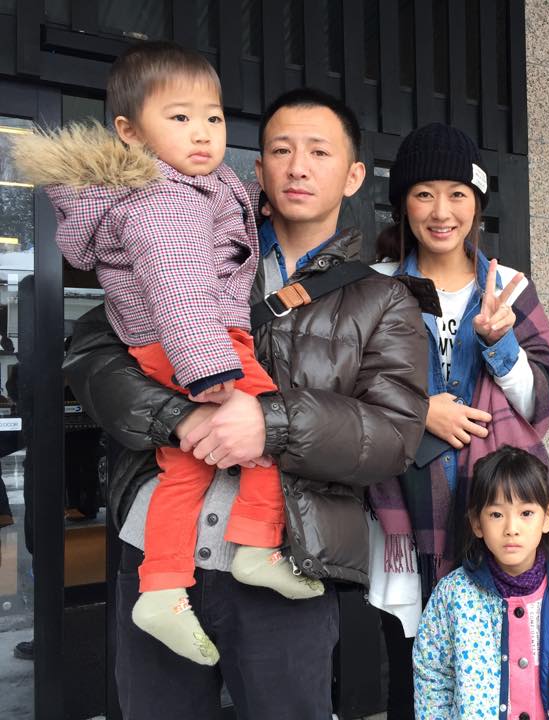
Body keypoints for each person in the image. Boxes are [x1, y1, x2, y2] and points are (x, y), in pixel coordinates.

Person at [60, 86, 429, 719]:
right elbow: (93, 356)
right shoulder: (182, 237)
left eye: (319, 152)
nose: (298, 166)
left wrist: (270, 423)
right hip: (156, 555)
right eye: (281, 150)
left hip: (285, 555)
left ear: (353, 176)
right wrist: (182, 418)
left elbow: (393, 435)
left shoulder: (383, 300)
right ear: (258, 169)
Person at [14, 42, 328, 665]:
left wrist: (252, 197)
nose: (203, 133)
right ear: (130, 132)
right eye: (180, 118)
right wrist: (209, 369)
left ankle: (160, 587)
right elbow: (178, 285)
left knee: (182, 467)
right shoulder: (164, 202)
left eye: (213, 117)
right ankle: (257, 546)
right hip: (198, 341)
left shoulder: (188, 188)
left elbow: (221, 219)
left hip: (166, 343)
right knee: (269, 426)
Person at [367, 122, 549, 719]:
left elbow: (538, 407)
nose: (441, 211)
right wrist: (419, 413)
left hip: (496, 511)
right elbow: (350, 397)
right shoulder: (376, 288)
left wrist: (500, 345)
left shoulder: (508, 288)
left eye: (457, 194)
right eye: (423, 194)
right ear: (403, 205)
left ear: (477, 203)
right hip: (406, 513)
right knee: (416, 674)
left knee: (503, 673)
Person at [413, 446, 549, 719]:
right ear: (476, 522)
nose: (512, 528)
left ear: (547, 517)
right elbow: (433, 675)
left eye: (526, 513)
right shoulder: (453, 596)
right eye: (496, 514)